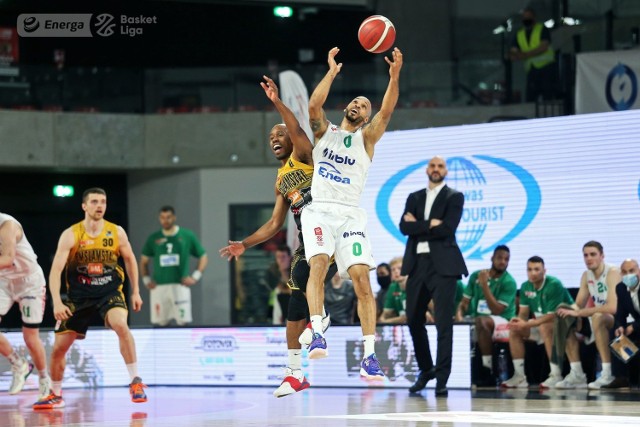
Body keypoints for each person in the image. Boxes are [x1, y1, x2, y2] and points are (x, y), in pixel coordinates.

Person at [219, 75, 332, 398]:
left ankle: (320, 320)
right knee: (293, 300)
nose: (275, 139)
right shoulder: (281, 180)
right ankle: (294, 373)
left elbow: (295, 127)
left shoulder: (305, 155)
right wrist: (244, 243)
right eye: (270, 137)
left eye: (279, 133)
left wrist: (276, 103)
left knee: (306, 275)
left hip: (329, 232)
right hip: (306, 238)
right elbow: (273, 224)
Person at [300, 46, 403, 380]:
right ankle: (317, 331)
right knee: (317, 265)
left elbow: (386, 112)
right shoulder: (324, 131)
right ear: (347, 107)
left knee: (362, 280)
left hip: (349, 215)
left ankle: (370, 356)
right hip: (319, 211)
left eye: (365, 105)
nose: (360, 106)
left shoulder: (367, 139)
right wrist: (331, 72)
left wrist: (394, 76)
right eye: (356, 102)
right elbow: (313, 105)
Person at [33, 188, 147, 409]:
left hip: (109, 292)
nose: (100, 206)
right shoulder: (71, 234)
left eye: (103, 201)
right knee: (58, 348)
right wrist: (57, 301)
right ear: (84, 206)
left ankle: (135, 382)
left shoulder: (116, 232)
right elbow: (55, 271)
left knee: (121, 324)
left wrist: (135, 292)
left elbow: (131, 260)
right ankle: (55, 394)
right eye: (94, 201)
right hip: (79, 297)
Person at [400, 155, 468, 397]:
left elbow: (448, 228)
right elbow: (403, 227)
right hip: (417, 264)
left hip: (444, 266)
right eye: (432, 165)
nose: (436, 169)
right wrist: (430, 224)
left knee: (443, 323)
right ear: (427, 170)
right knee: (413, 320)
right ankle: (426, 369)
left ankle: (442, 378)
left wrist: (418, 224)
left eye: (440, 166)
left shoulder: (454, 197)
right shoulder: (414, 197)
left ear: (446, 171)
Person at [553, 241, 620, 389]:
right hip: (594, 319)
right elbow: (578, 304)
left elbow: (612, 307)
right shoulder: (586, 275)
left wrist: (578, 312)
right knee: (563, 316)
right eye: (585, 255)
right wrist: (565, 311)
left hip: (618, 320)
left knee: (598, 317)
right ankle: (577, 374)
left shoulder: (613, 272)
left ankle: (607, 374)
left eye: (593, 254)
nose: (588, 258)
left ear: (602, 256)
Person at [501, 256, 575, 389]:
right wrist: (518, 321)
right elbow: (523, 313)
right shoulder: (525, 286)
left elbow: (552, 316)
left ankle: (556, 374)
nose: (533, 273)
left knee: (546, 327)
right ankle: (519, 377)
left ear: (544, 270)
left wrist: (527, 324)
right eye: (529, 269)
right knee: (515, 330)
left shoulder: (554, 284)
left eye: (537, 269)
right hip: (541, 324)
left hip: (567, 323)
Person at [0, 213, 51, 399]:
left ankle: (44, 379)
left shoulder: (7, 225)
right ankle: (18, 363)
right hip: (3, 282)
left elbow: (6, 259)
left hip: (29, 282)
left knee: (30, 337)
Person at [456, 245, 517, 386]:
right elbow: (464, 302)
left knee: (481, 322)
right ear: (492, 258)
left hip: (503, 320)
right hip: (479, 318)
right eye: (500, 258)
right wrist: (459, 315)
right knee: (459, 325)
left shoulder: (509, 282)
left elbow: (496, 310)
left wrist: (484, 285)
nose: (503, 262)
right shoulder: (476, 275)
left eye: (506, 259)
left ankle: (487, 369)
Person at [140, 205, 208, 326]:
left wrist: (195, 277)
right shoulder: (154, 238)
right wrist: (146, 280)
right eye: (162, 217)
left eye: (168, 217)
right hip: (159, 287)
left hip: (180, 285)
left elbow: (203, 256)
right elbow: (144, 261)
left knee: (183, 321)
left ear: (174, 218)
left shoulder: (187, 235)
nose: (165, 220)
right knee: (161, 322)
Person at [509, 6, 556, 102]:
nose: (526, 19)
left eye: (528, 17)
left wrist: (525, 55)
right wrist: (514, 55)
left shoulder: (542, 29)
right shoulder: (519, 34)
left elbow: (544, 46)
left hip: (547, 69)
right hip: (531, 70)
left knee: (548, 99)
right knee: (531, 99)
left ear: (534, 18)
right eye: (524, 17)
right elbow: (513, 52)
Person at [606, 258, 640, 389]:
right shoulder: (620, 288)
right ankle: (623, 377)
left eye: (632, 271)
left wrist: (634, 326)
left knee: (631, 331)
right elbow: (620, 313)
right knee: (617, 336)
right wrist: (620, 326)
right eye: (624, 272)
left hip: (638, 325)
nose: (628, 275)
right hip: (638, 325)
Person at [266, 245, 293, 324]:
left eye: (283, 257)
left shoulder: (296, 268)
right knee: (277, 293)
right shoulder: (273, 269)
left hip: (296, 301)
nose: (281, 260)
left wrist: (283, 272)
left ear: (289, 258)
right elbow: (275, 288)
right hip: (278, 301)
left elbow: (294, 291)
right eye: (278, 257)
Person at [378, 257, 407, 324]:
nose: (396, 272)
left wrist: (387, 321)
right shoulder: (393, 286)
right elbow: (385, 315)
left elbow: (410, 317)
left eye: (399, 268)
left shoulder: (416, 285)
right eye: (393, 270)